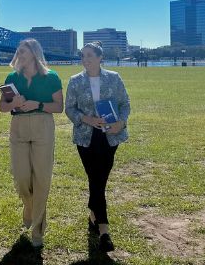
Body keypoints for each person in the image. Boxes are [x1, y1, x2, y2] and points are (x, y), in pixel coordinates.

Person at [64, 41, 130, 252]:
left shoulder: (114, 77)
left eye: (89, 55)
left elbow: (125, 103)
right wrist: (86, 119)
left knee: (99, 180)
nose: (85, 60)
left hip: (110, 136)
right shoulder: (75, 81)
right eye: (83, 56)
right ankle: (104, 231)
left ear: (100, 57)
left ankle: (94, 216)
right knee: (96, 179)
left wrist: (121, 122)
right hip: (86, 137)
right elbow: (69, 109)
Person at [0, 38, 63, 248]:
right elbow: (2, 107)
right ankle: (29, 207)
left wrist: (39, 104)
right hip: (18, 126)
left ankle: (37, 230)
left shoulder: (51, 77)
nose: (19, 54)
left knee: (42, 179)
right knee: (21, 177)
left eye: (23, 51)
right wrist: (14, 103)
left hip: (43, 125)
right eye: (18, 51)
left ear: (34, 53)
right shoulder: (12, 77)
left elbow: (58, 107)